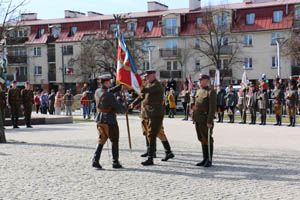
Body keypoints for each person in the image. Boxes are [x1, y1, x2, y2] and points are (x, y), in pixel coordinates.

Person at [131, 72, 175, 162]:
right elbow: (142, 96)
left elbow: (146, 90)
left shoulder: (156, 85)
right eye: (145, 76)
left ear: (153, 76)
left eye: (147, 76)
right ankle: (167, 152)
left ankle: (151, 157)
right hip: (148, 113)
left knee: (153, 134)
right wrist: (133, 104)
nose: (146, 78)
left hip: (156, 113)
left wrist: (136, 84)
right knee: (152, 133)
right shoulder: (149, 84)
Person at [92, 75, 127, 169]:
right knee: (114, 140)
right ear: (106, 82)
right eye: (109, 82)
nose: (110, 83)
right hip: (109, 120)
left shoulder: (97, 91)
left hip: (99, 119)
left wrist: (119, 87)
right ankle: (115, 162)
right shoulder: (109, 95)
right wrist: (126, 107)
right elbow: (118, 107)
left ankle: (95, 160)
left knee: (101, 139)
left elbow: (107, 91)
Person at [192, 74, 216, 168]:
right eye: (199, 80)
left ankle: (209, 160)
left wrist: (210, 121)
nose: (199, 81)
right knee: (201, 138)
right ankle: (204, 158)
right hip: (198, 118)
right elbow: (195, 104)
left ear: (207, 80)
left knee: (207, 139)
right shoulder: (198, 91)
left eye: (201, 80)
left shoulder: (211, 92)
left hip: (205, 119)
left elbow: (212, 108)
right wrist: (193, 112)